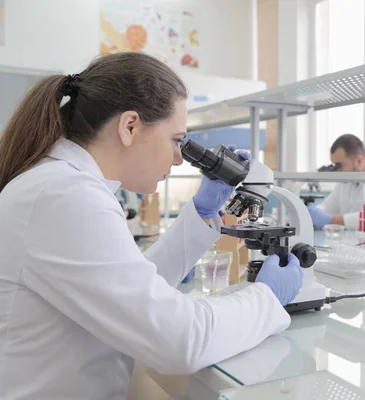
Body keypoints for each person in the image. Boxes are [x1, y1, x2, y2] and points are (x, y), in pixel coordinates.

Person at [0, 52, 303, 399]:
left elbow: (128, 286)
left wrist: (201, 214)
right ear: (130, 126)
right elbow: (180, 340)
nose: (179, 158)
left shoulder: (62, 184)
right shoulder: (65, 196)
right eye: (177, 141)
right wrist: (266, 298)